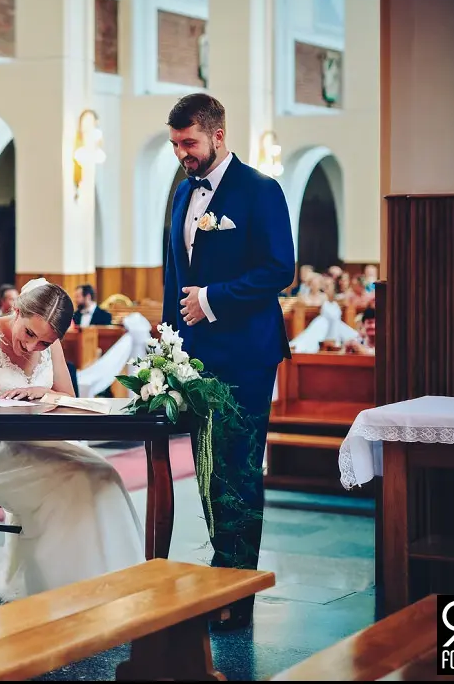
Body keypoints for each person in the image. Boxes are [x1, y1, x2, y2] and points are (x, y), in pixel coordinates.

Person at [0, 279, 145, 603]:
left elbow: (68, 397)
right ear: (17, 310)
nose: (31, 347)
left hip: (35, 443)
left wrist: (45, 391)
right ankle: (60, 596)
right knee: (73, 480)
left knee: (104, 474)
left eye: (44, 343)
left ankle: (110, 589)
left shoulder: (49, 342)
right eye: (28, 333)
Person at [162, 93, 295, 631]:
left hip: (246, 354)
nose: (182, 153)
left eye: (189, 142)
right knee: (208, 467)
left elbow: (279, 268)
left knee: (238, 469)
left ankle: (236, 592)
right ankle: (224, 572)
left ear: (217, 135)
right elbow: (173, 275)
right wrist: (169, 346)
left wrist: (212, 298)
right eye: (175, 144)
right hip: (196, 358)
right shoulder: (181, 192)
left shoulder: (260, 190)